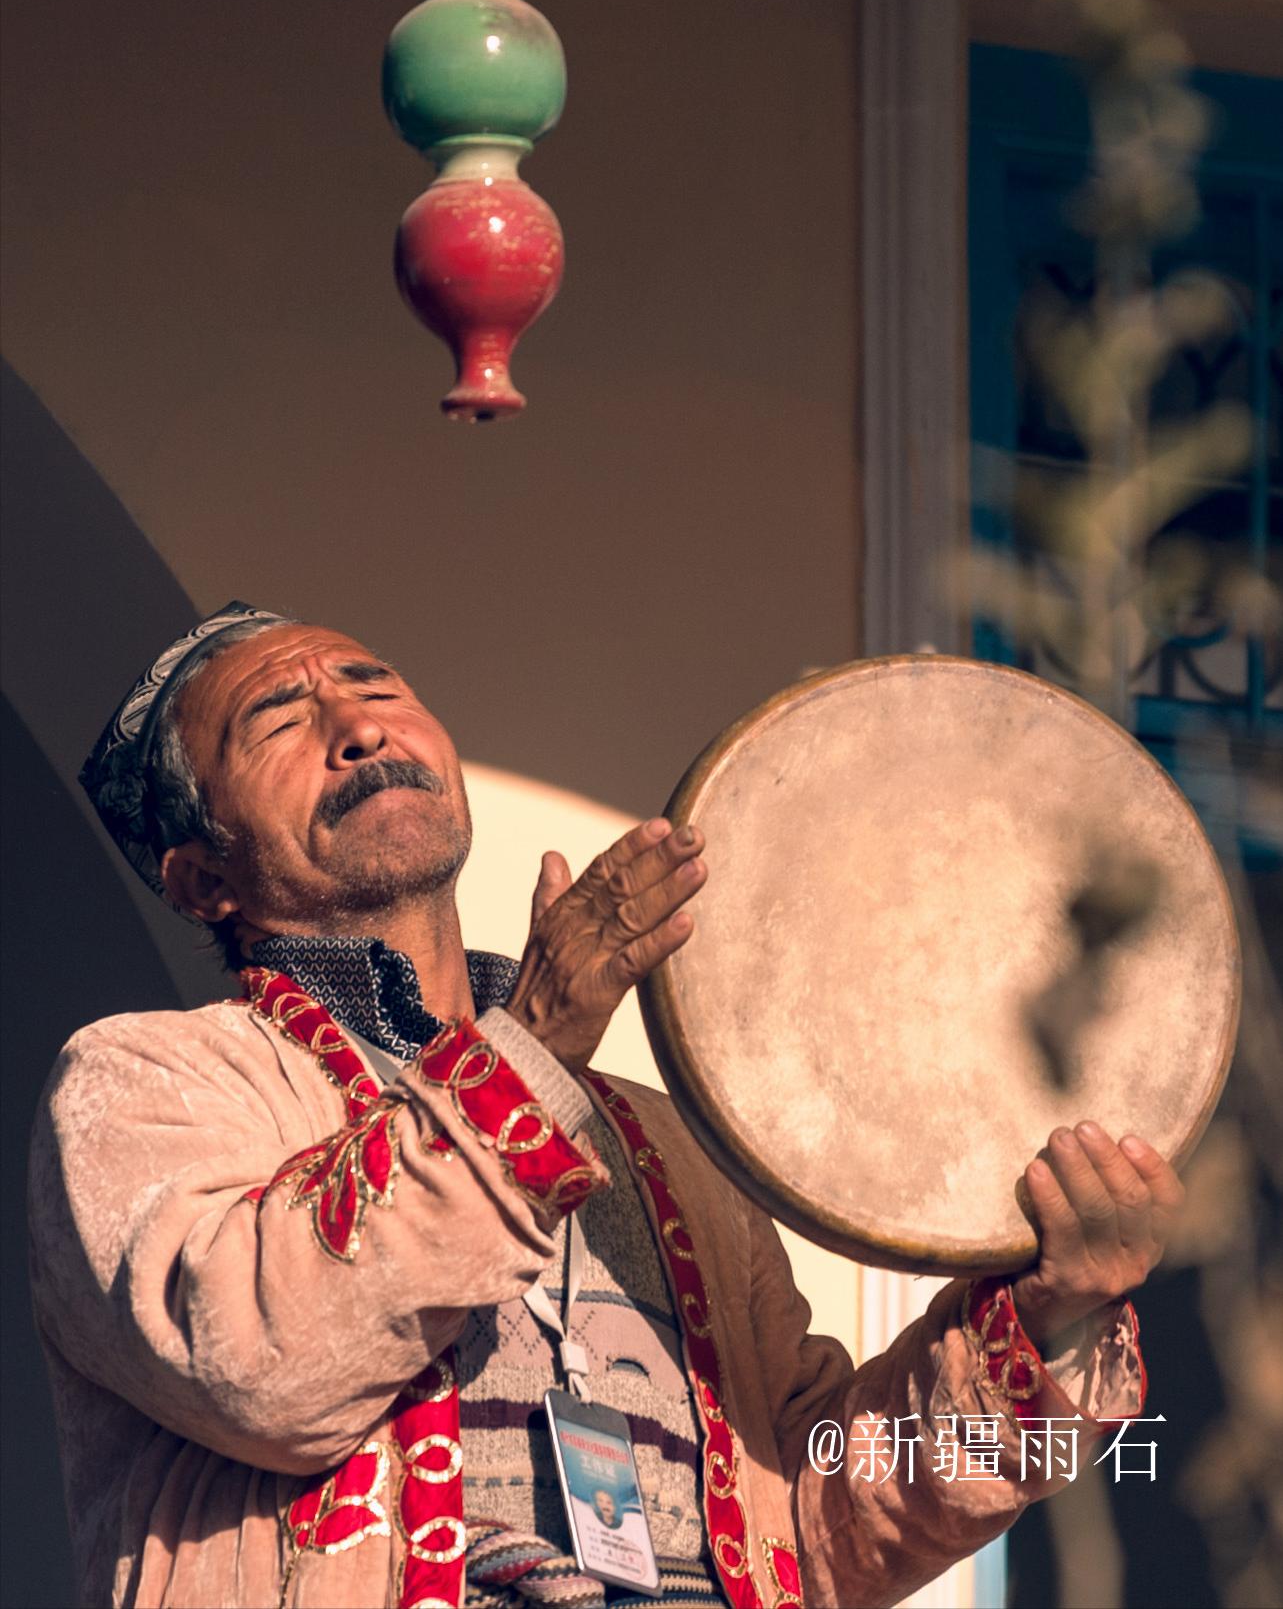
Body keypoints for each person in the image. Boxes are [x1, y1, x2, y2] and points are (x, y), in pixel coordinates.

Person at [31, 602, 1180, 1609]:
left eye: (377, 685)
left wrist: (1049, 1319)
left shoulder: (658, 1139)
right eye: (278, 719)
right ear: (201, 878)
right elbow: (259, 1362)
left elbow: (823, 1519)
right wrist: (525, 1051)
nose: (361, 726)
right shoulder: (147, 1081)